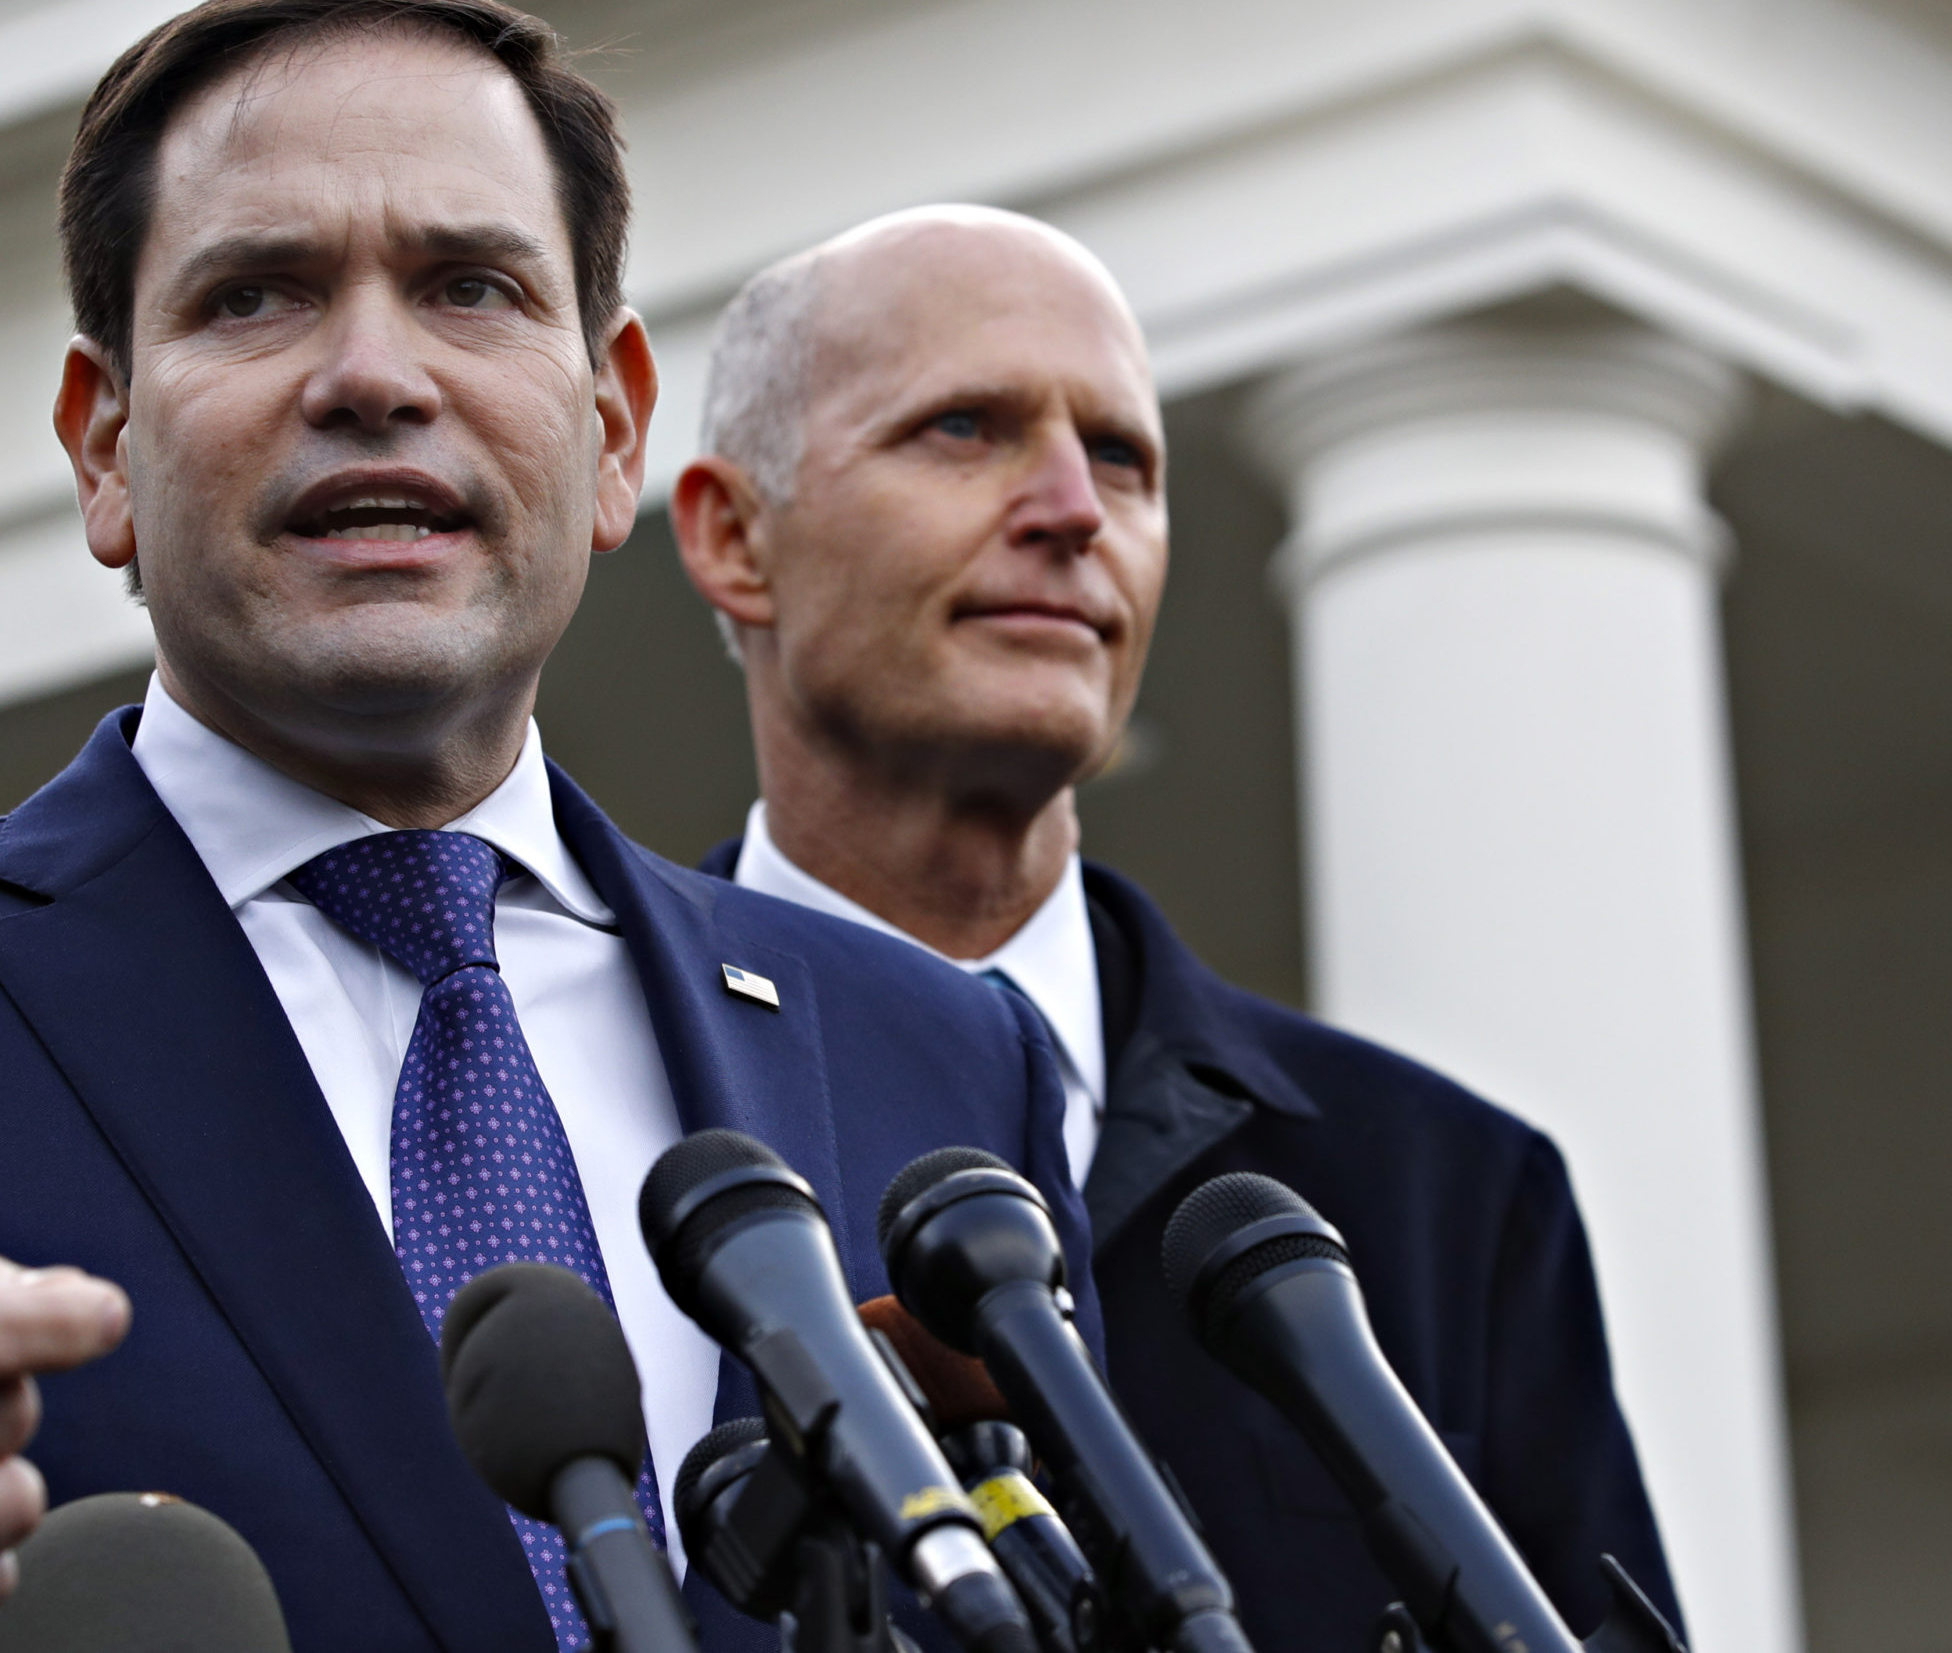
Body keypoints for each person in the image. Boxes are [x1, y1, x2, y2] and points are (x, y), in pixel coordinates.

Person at [0, 0, 1089, 1653]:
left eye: (469, 286)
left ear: (611, 435)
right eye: (257, 297)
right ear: (105, 452)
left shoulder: (940, 1059)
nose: (374, 375)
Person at [669, 206, 1681, 1652]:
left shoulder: (1447, 1193)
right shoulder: (563, 1112)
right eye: (964, 430)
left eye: (1125, 459)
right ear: (732, 536)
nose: (1073, 509)